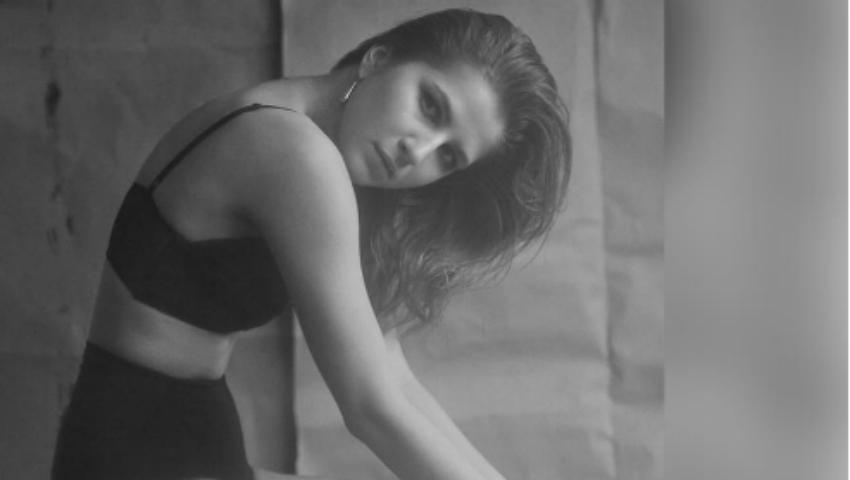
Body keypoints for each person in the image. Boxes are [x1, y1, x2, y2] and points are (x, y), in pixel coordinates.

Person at [51, 8, 571, 480]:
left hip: (175, 440)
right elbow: (372, 407)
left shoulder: (293, 131)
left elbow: (396, 379)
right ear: (378, 58)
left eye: (449, 156)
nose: (418, 152)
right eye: (430, 106)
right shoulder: (296, 153)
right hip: (137, 457)